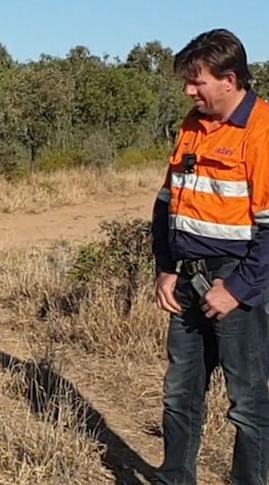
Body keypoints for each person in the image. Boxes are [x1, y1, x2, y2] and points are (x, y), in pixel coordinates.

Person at [151, 28, 269, 485]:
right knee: (179, 393)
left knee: (249, 403)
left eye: (197, 81)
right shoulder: (191, 125)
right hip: (187, 280)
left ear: (230, 80)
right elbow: (166, 203)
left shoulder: (260, 132)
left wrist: (236, 290)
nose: (189, 90)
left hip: (238, 282)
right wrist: (165, 267)